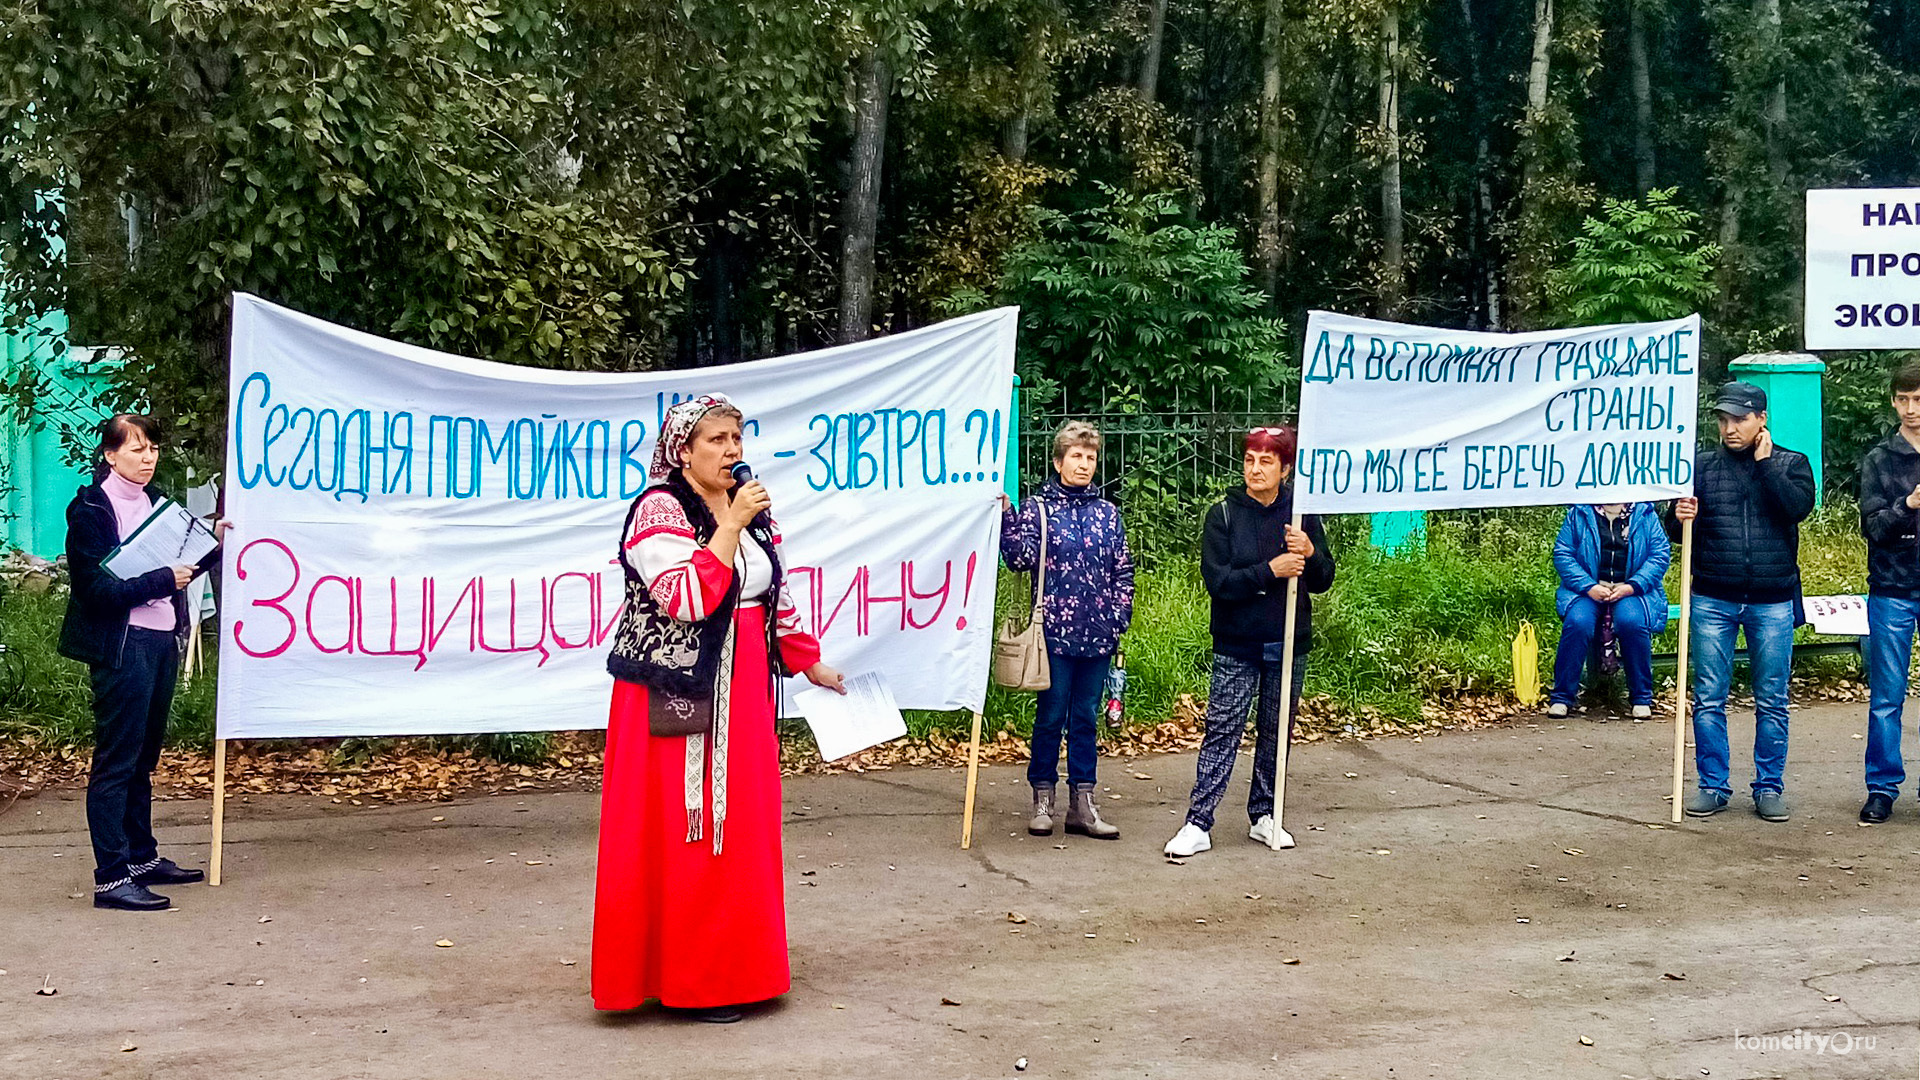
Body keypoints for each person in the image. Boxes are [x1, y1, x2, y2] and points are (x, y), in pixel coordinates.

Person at [593, 394, 844, 1023]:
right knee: (688, 824)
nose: (733, 450)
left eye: (737, 437)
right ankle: (687, 980)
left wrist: (808, 658)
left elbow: (772, 590)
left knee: (740, 829)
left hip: (746, 689)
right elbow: (685, 598)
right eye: (717, 440)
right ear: (683, 451)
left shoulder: (751, 507)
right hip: (675, 693)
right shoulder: (659, 509)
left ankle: (737, 969)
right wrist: (727, 526)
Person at [58, 415, 226, 911]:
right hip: (121, 645)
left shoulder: (157, 506)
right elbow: (96, 590)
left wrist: (212, 542)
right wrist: (159, 581)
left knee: (143, 759)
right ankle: (111, 878)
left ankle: (141, 859)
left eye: (152, 448)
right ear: (110, 455)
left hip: (158, 641)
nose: (148, 458)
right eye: (135, 449)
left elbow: (182, 567)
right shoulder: (90, 509)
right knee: (117, 761)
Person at [1165, 426, 1334, 857]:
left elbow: (1323, 579)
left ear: (1285, 468)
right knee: (1222, 732)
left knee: (1276, 733)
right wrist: (1269, 570)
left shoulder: (1301, 512)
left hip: (1288, 641)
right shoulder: (1223, 513)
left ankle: (1265, 814)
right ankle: (1198, 823)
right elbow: (1218, 582)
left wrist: (1310, 553)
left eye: (1266, 462)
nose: (1255, 469)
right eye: (1249, 460)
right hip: (1237, 644)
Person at [1670, 380, 1815, 822]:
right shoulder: (1700, 466)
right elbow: (1678, 536)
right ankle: (1712, 785)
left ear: (1761, 419)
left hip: (1772, 599)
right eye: (1723, 419)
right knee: (1709, 696)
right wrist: (1677, 516)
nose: (1730, 428)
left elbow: (1796, 509)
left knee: (1772, 698)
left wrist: (1767, 465)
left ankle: (1768, 786)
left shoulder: (1792, 463)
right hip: (1714, 595)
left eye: (1739, 419)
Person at [1000, 421, 1134, 840]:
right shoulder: (1039, 509)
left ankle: (1083, 803)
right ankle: (1043, 797)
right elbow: (1018, 559)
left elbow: (1123, 571)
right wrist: (1007, 515)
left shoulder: (1108, 515)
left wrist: (1117, 618)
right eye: (1076, 456)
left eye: (1090, 457)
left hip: (1098, 636)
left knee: (1084, 720)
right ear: (1059, 461)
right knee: (1051, 715)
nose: (1084, 464)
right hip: (1051, 636)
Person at [1857, 362, 1920, 824]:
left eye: (1919, 399)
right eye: (1904, 399)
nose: (1912, 409)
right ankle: (1882, 788)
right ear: (1893, 402)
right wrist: (1909, 504)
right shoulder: (1879, 458)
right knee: (1886, 696)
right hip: (1892, 588)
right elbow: (1873, 528)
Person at [1546, 503, 1670, 721]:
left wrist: (1632, 586)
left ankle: (1641, 698)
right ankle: (1562, 697)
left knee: (1632, 622)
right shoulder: (1579, 513)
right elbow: (1563, 554)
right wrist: (1589, 586)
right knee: (1578, 622)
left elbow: (1659, 555)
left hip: (1632, 591)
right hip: (1588, 590)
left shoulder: (1645, 514)